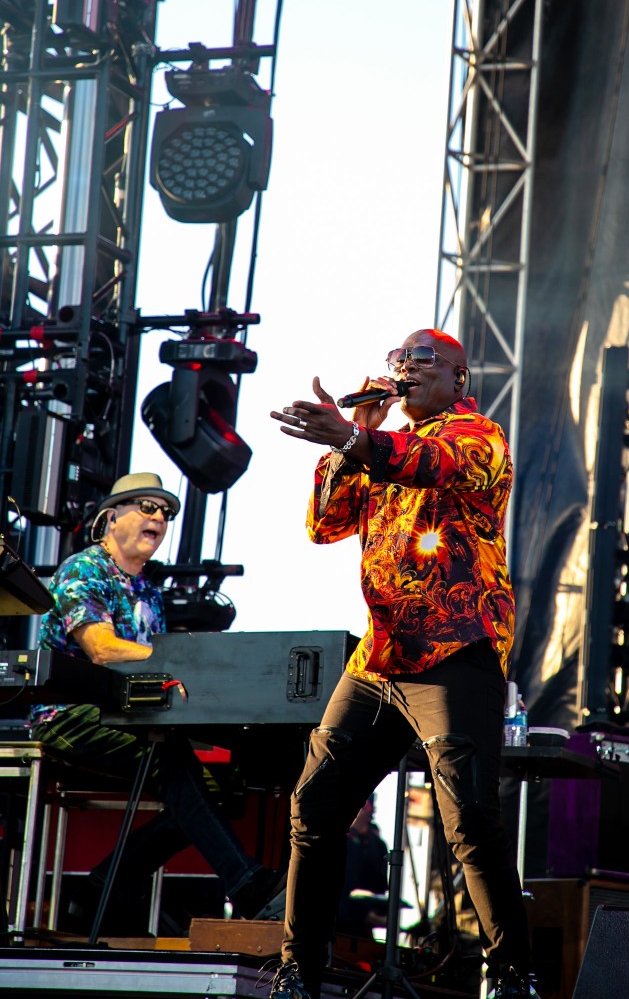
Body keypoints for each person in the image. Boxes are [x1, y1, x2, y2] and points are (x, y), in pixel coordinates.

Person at [268, 329, 538, 999]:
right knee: (315, 805)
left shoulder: (479, 437)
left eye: (420, 360)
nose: (404, 369)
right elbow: (325, 524)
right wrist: (347, 441)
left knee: (469, 820)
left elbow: (429, 465)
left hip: (453, 651)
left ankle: (512, 976)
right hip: (380, 659)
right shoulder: (378, 445)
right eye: (396, 361)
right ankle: (298, 973)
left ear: (458, 377)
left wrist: (357, 439)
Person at [32, 472, 276, 934]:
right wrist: (183, 665)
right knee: (169, 759)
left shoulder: (148, 590)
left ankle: (101, 888)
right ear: (111, 517)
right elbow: (102, 649)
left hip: (129, 718)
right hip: (67, 716)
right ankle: (249, 887)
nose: (160, 518)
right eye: (147, 507)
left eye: (165, 512)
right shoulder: (83, 570)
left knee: (220, 788)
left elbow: (156, 671)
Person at [336, 797, 389, 939]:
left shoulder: (378, 845)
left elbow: (380, 887)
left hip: (361, 925)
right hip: (338, 920)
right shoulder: (339, 839)